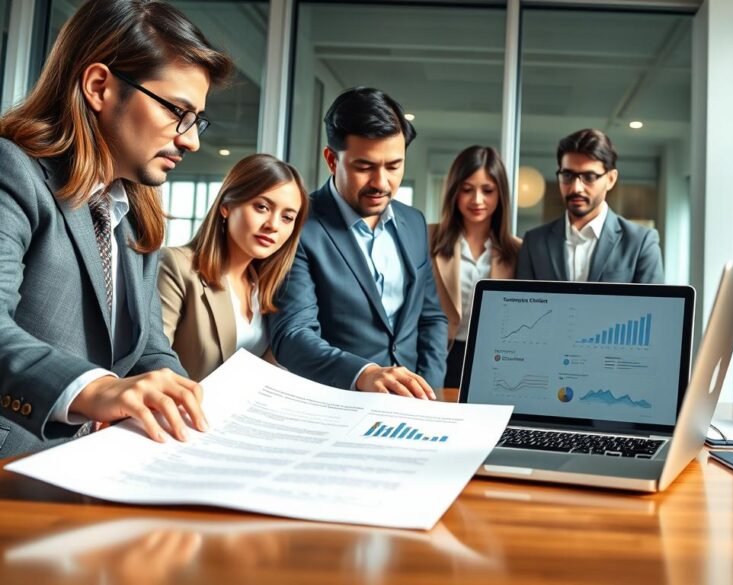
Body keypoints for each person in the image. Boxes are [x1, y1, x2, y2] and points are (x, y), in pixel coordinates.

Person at [0, 0, 233, 456]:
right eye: (176, 111)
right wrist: (98, 390)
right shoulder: (12, 172)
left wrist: (188, 404)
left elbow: (148, 348)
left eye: (197, 119)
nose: (191, 139)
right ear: (99, 86)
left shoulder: (135, 210)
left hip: (90, 466)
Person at [269, 87, 447, 399]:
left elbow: (431, 318)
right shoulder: (298, 225)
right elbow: (292, 336)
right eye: (364, 167)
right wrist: (363, 374)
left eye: (393, 166)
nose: (381, 183)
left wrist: (428, 392)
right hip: (336, 405)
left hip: (415, 410)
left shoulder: (414, 222)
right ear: (331, 160)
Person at [159, 154, 308, 381]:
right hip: (182, 411)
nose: (273, 225)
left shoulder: (271, 286)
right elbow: (153, 360)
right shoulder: (177, 266)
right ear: (227, 206)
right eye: (262, 207)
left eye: (287, 218)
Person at [516, 129, 664, 284]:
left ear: (611, 179)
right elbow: (523, 306)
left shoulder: (640, 242)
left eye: (589, 177)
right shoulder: (534, 242)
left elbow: (652, 307)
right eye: (567, 175)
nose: (576, 188)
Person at [429, 145, 521, 389]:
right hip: (439, 356)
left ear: (500, 194)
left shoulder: (518, 251)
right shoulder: (428, 238)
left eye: (487, 190)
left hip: (493, 361)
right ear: (454, 192)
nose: (477, 200)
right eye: (467, 189)